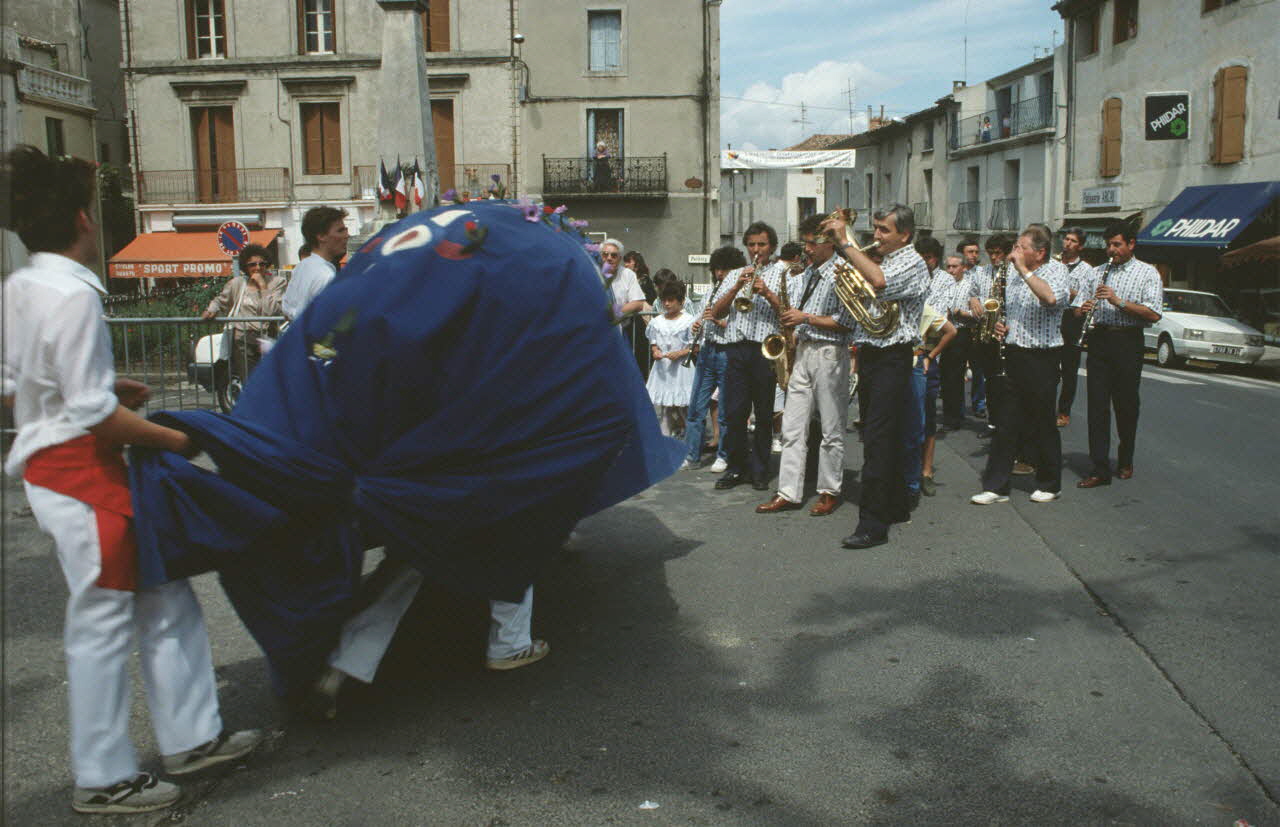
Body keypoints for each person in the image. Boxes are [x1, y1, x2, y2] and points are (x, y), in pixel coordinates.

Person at [1, 145, 262, 815]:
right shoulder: (74, 296)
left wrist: (101, 386)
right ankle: (104, 773)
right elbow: (93, 415)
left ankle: (193, 735)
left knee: (164, 595)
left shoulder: (22, 286)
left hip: (62, 470)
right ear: (86, 220)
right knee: (103, 625)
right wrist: (177, 438)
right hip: (86, 474)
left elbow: (16, 387)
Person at [826, 205, 930, 550]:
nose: (877, 236)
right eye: (875, 229)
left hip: (892, 357)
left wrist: (845, 243)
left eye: (884, 230)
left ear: (905, 234)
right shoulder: (885, 258)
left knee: (877, 440)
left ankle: (872, 525)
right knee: (889, 435)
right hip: (873, 353)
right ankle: (896, 507)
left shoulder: (911, 262)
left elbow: (878, 282)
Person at [755, 214, 855, 517]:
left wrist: (805, 319)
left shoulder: (843, 273)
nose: (807, 249)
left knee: (831, 428)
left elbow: (846, 323)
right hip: (803, 352)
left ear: (828, 242)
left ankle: (829, 490)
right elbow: (792, 311)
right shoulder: (808, 274)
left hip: (830, 353)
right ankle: (788, 491)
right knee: (791, 427)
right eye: (806, 243)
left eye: (812, 243)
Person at [971, 226, 1070, 505]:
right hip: (1014, 352)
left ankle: (1050, 483)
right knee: (1005, 420)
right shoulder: (1011, 274)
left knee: (1042, 421)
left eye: (1021, 246)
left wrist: (1025, 271)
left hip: (1042, 355)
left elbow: (1050, 298)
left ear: (1039, 252)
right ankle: (996, 486)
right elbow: (1009, 308)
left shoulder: (1056, 271)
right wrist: (1002, 324)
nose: (1015, 251)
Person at [1074, 222, 1163, 488]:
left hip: (1128, 341)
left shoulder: (1148, 273)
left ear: (1131, 244)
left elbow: (1154, 313)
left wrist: (1118, 301)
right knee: (1097, 406)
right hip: (1100, 339)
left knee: (1126, 405)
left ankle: (1125, 459)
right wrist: (1084, 307)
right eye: (1108, 245)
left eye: (1117, 245)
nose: (1111, 250)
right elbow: (1077, 308)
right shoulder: (1098, 272)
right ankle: (1099, 468)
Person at [706, 221, 786, 491]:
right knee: (735, 412)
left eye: (761, 244)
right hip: (736, 347)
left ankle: (760, 470)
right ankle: (736, 467)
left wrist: (767, 292)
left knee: (764, 413)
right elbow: (715, 313)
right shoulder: (735, 274)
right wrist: (734, 287)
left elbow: (787, 313)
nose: (756, 250)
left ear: (771, 246)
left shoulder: (782, 273)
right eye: (751, 244)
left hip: (765, 349)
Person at [682, 246, 743, 471]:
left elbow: (740, 326)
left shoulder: (740, 291)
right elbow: (701, 315)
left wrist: (717, 321)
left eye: (724, 269)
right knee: (696, 408)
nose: (719, 274)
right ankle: (692, 456)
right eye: (717, 269)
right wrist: (696, 324)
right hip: (707, 350)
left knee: (726, 409)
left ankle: (724, 455)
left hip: (728, 351)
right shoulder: (711, 290)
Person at [202, 244, 285, 380]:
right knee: (250, 381)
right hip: (243, 339)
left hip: (268, 337)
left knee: (271, 381)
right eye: (252, 264)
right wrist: (211, 310)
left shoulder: (277, 283)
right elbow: (220, 301)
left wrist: (263, 287)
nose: (258, 268)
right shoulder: (237, 284)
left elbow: (272, 311)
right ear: (245, 267)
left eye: (262, 264)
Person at [937, 251, 981, 430]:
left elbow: (978, 314)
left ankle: (954, 417)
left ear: (963, 268)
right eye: (948, 266)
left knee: (955, 376)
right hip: (941, 332)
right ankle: (950, 413)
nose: (951, 270)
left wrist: (960, 313)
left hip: (960, 333)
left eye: (955, 267)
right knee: (944, 375)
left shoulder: (969, 285)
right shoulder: (942, 284)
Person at [282, 206, 349, 322]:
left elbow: (287, 311)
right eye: (340, 230)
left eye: (345, 229)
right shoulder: (326, 277)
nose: (346, 235)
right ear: (321, 236)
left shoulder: (302, 266)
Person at [1055, 227, 1094, 427]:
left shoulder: (1087, 270)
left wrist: (1067, 291)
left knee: (1069, 370)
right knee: (1049, 366)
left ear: (1080, 246)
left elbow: (1084, 297)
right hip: (1052, 314)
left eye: (1072, 241)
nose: (1067, 243)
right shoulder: (1053, 263)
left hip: (1071, 317)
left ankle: (1064, 411)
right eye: (1066, 239)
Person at [645, 282, 695, 436]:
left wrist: (680, 353)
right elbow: (653, 343)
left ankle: (690, 442)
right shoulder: (657, 322)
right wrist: (655, 352)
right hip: (663, 369)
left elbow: (695, 346)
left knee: (684, 406)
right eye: (664, 300)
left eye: (671, 300)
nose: (667, 304)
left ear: (680, 301)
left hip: (681, 368)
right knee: (666, 407)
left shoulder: (689, 320)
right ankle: (665, 440)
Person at [957, 237, 989, 421]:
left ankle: (979, 404)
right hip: (959, 326)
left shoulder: (983, 273)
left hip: (977, 327)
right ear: (962, 253)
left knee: (979, 370)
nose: (974, 255)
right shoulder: (955, 273)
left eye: (976, 252)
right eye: (970, 252)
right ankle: (958, 407)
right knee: (957, 369)